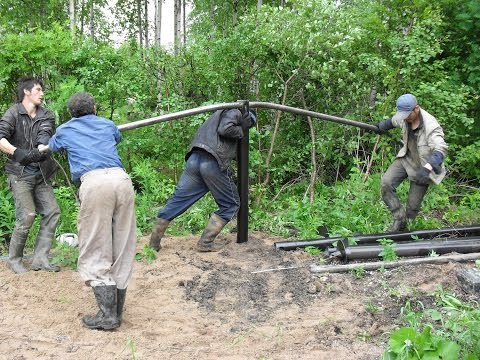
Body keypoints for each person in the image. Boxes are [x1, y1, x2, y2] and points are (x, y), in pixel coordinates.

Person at [44, 92, 137, 330]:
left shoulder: (65, 129)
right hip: (121, 180)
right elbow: (115, 138)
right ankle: (117, 311)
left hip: (95, 182)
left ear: (71, 113)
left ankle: (107, 316)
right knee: (123, 243)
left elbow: (52, 147)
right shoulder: (107, 124)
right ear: (94, 108)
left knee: (95, 244)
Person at [149, 108, 256, 252]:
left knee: (177, 201)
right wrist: (243, 127)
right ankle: (205, 243)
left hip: (194, 159)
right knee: (231, 204)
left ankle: (153, 244)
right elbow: (225, 129)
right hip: (211, 162)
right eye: (251, 123)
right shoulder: (236, 112)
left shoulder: (215, 116)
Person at [0, 77, 60, 273]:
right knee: (27, 215)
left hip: (41, 173)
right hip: (20, 174)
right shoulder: (13, 113)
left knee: (52, 212)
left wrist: (39, 149)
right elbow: (0, 138)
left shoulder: (46, 114)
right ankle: (14, 259)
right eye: (38, 89)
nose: (42, 94)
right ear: (26, 91)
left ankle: (40, 260)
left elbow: (45, 133)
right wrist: (18, 153)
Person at [375, 93, 448, 232]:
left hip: (423, 166)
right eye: (403, 115)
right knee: (386, 183)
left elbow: (441, 149)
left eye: (408, 114)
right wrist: (381, 126)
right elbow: (393, 121)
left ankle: (406, 229)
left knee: (412, 207)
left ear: (417, 109)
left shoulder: (431, 125)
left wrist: (427, 168)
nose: (405, 118)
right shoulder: (404, 117)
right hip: (406, 158)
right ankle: (398, 218)